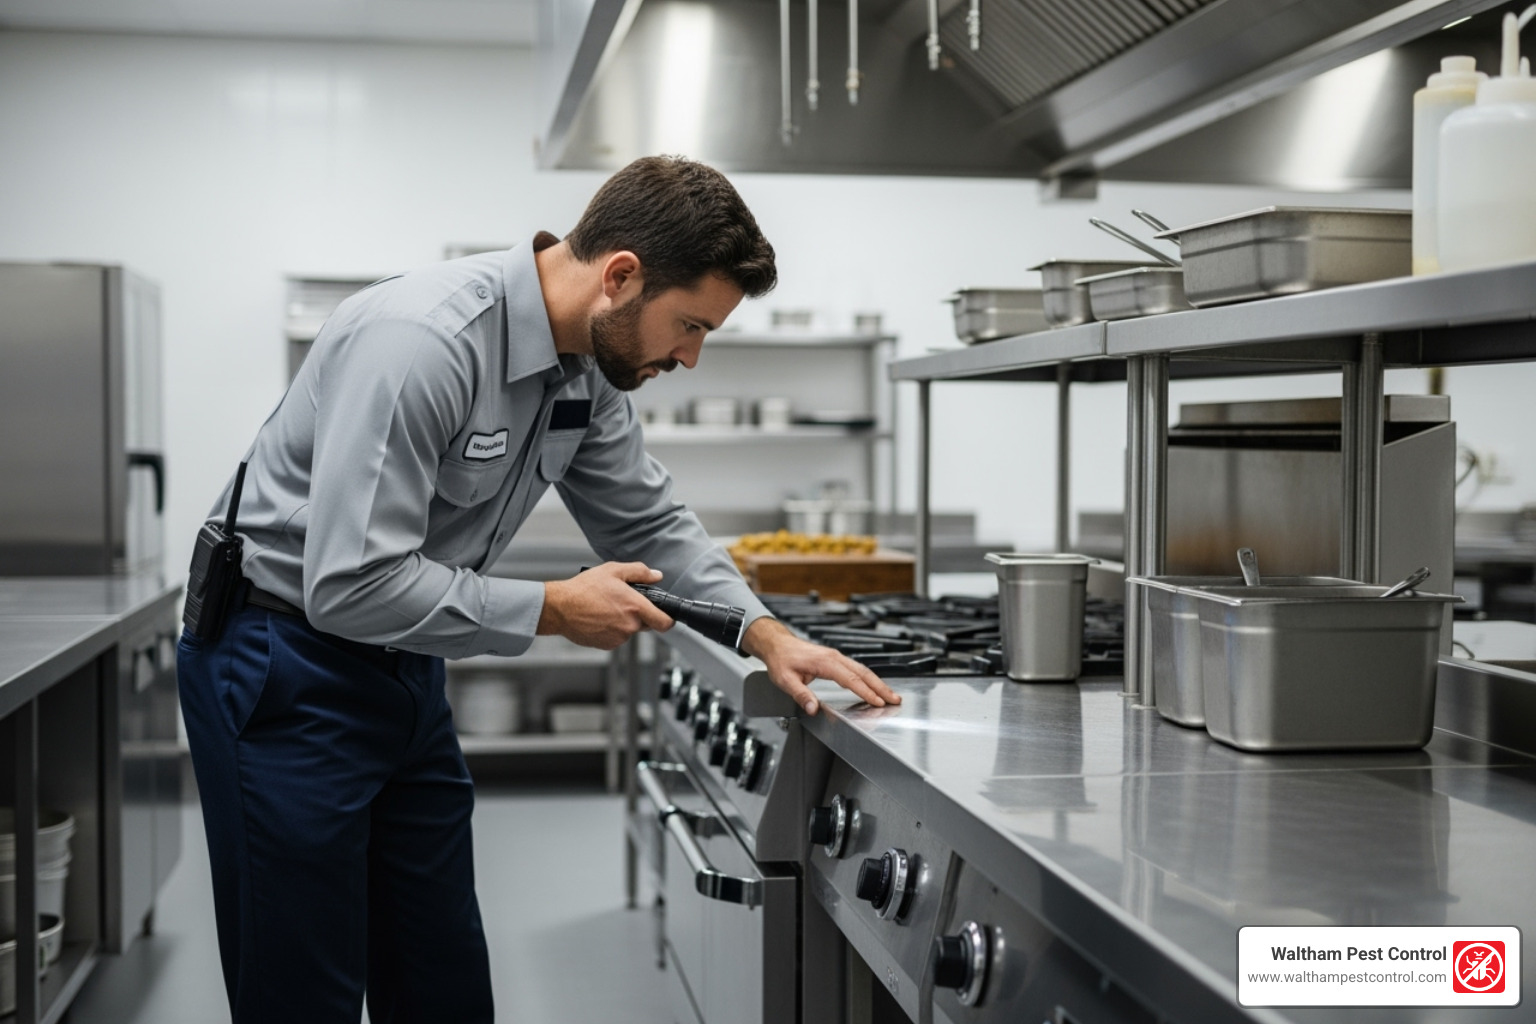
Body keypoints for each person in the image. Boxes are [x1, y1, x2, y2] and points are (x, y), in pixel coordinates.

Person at [176, 154, 901, 1023]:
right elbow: (350, 583)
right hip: (282, 663)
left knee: (440, 976)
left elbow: (648, 520)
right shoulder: (424, 344)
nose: (693, 356)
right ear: (621, 276)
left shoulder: (586, 368)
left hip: (405, 669)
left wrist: (764, 631)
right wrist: (552, 608)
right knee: (301, 989)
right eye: (690, 325)